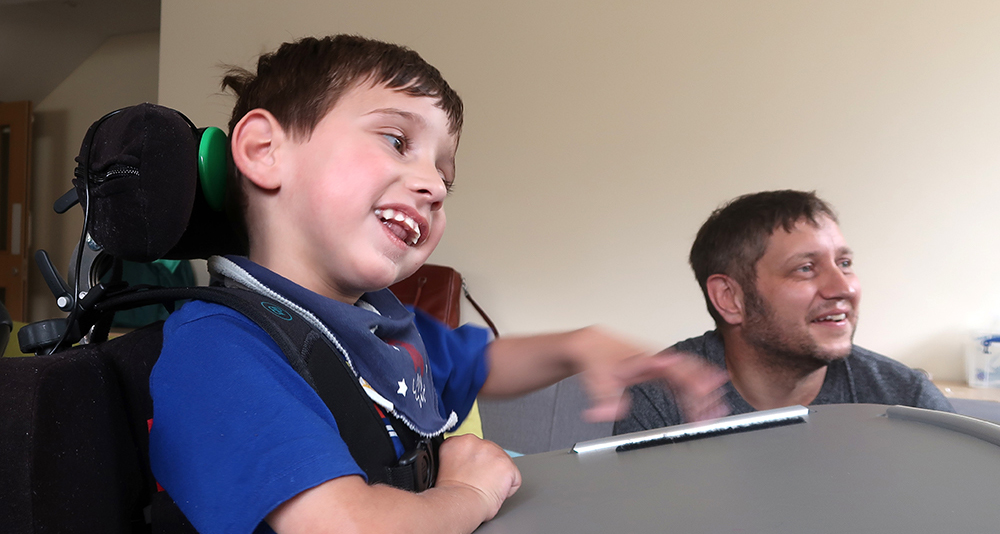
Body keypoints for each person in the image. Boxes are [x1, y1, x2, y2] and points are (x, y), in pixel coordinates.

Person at [148, 35, 728, 534]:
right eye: (397, 141)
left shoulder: (373, 320)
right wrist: (466, 495)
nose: (433, 185)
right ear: (263, 151)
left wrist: (580, 344)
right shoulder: (219, 348)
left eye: (444, 172)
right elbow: (344, 526)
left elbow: (480, 364)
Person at [614, 190, 954, 435]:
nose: (843, 288)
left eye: (845, 263)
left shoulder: (905, 399)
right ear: (731, 298)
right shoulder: (662, 400)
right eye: (805, 268)